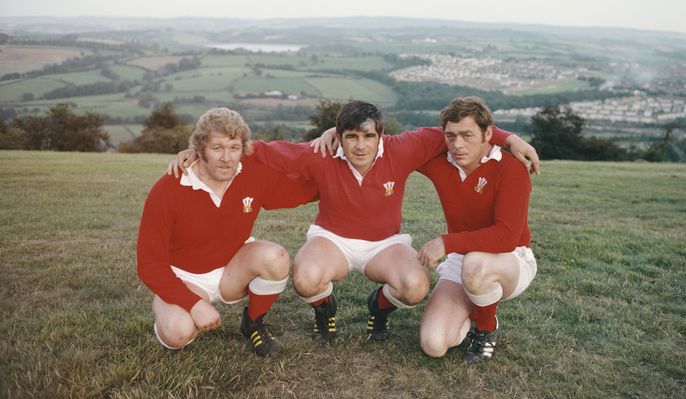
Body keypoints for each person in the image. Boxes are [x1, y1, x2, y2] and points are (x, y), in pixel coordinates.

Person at [171, 101, 538, 344]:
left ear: (381, 135)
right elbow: (259, 150)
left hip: (385, 243)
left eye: (368, 136)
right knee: (304, 276)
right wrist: (198, 152)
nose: (360, 146)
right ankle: (324, 307)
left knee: (414, 286)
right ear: (339, 137)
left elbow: (464, 128)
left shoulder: (405, 147)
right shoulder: (322, 153)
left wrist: (511, 138)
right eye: (351, 137)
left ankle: (380, 303)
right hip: (333, 239)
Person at [137, 107, 317, 355]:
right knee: (177, 332)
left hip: (231, 269)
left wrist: (344, 175)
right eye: (217, 148)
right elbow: (149, 264)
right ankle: (170, 308)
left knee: (275, 257)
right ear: (200, 149)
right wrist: (194, 304)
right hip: (186, 279)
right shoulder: (169, 188)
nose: (227, 158)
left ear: (243, 149)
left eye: (234, 148)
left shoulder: (251, 174)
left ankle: (253, 323)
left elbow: (302, 191)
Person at [416, 97, 537, 362]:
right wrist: (337, 132)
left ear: (488, 133)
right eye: (451, 136)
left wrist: (445, 243)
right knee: (434, 344)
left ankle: (486, 327)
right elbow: (393, 146)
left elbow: (506, 238)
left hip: (511, 258)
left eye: (468, 135)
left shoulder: (511, 168)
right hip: (463, 256)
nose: (458, 145)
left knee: (475, 265)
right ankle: (474, 303)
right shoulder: (440, 161)